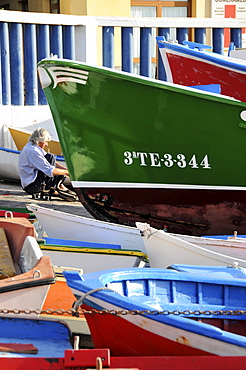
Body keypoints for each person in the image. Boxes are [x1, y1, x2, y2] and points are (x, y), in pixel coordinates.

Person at [18, 127, 76, 201]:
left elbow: (52, 162)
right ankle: (52, 187)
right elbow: (50, 171)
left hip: (33, 182)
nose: (47, 145)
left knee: (50, 157)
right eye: (46, 142)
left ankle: (58, 186)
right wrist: (68, 173)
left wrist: (66, 170)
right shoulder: (32, 151)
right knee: (50, 158)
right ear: (40, 141)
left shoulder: (33, 146)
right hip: (32, 186)